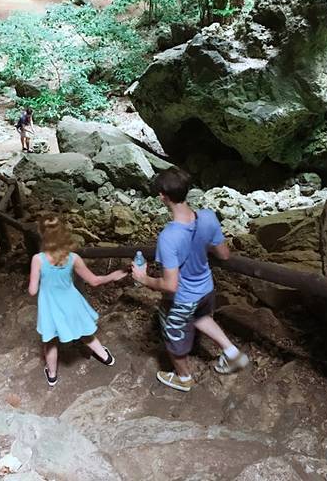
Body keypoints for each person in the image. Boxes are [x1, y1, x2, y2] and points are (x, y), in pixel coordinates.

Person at [131, 168, 249, 392]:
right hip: (206, 289)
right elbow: (224, 254)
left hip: (183, 298)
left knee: (173, 337)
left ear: (163, 197)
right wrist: (199, 245)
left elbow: (170, 285)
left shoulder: (169, 237)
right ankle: (232, 353)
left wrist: (142, 278)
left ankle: (183, 378)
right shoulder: (208, 217)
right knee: (200, 317)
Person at [28, 215, 129, 386]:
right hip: (72, 302)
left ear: (42, 234)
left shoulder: (38, 259)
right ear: (63, 233)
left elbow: (32, 291)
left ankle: (52, 375)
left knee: (50, 341)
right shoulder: (73, 257)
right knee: (84, 332)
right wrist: (113, 275)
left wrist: (37, 281)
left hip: (50, 306)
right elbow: (94, 281)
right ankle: (106, 357)